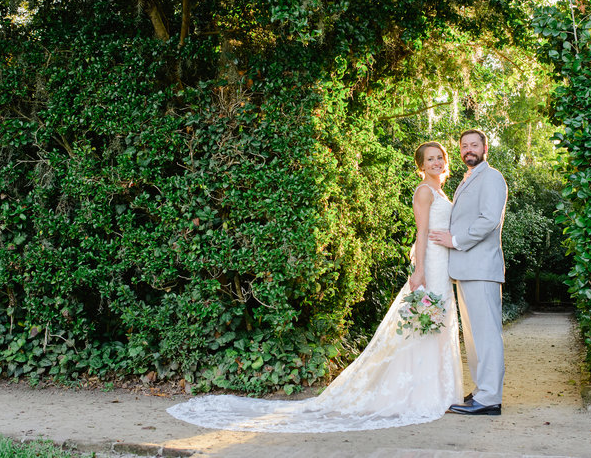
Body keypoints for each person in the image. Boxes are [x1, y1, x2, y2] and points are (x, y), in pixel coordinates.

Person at [166, 142, 462, 432]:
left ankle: (435, 390)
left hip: (443, 265)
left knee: (435, 324)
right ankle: (419, 393)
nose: (437, 162)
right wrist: (419, 270)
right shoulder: (424, 191)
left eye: (440, 157)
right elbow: (421, 233)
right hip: (431, 266)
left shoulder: (440, 191)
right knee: (425, 325)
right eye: (431, 159)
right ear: (421, 166)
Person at [429, 129, 507, 416]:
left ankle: (489, 399)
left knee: (486, 335)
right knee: (474, 336)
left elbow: (489, 220)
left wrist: (455, 241)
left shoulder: (492, 177)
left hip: (481, 267)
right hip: (466, 269)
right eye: (464, 146)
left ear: (485, 147)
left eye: (474, 145)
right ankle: (482, 391)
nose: (468, 150)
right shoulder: (467, 179)